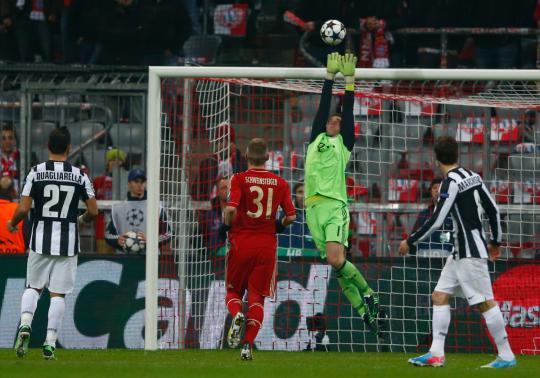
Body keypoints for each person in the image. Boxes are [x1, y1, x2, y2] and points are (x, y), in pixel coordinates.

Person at [399, 136, 516, 369]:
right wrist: (496, 241)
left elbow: (437, 219)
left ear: (435, 160)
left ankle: (506, 355)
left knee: (485, 303)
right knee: (439, 296)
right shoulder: (473, 176)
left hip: (469, 253)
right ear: (457, 155)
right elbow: (493, 209)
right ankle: (436, 354)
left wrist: (411, 241)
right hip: (460, 251)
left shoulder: (449, 182)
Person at [304, 52, 384, 336]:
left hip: (335, 206)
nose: (335, 122)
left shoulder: (343, 145)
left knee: (337, 260)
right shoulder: (316, 140)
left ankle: (369, 294)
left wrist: (349, 81)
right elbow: (322, 107)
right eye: (332, 120)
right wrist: (329, 77)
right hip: (312, 209)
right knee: (336, 266)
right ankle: (367, 312)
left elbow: (347, 112)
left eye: (338, 121)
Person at [9, 127, 98, 360]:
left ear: (48, 146)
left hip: (40, 240)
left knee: (33, 287)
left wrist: (12, 223)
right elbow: (94, 211)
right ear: (69, 148)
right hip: (67, 242)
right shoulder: (80, 175)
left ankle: (26, 324)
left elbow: (24, 207)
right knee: (57, 295)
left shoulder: (36, 172)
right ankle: (49, 341)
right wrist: (81, 220)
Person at [221, 138, 296, 360]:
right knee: (257, 298)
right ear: (266, 158)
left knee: (233, 292)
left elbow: (231, 210)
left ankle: (236, 315)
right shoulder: (280, 183)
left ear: (246, 156)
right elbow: (291, 216)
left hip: (241, 242)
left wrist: (226, 224)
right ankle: (247, 345)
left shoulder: (239, 179)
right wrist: (278, 225)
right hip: (266, 245)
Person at [105, 168, 171, 253]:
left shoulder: (156, 207)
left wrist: (153, 240)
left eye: (142, 182)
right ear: (129, 184)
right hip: (125, 258)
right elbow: (108, 235)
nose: (140, 185)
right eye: (136, 181)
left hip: (150, 260)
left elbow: (169, 233)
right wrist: (117, 240)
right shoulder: (118, 208)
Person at [93, 148, 127, 253]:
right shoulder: (98, 181)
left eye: (119, 159)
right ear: (107, 163)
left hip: (122, 231)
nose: (116, 162)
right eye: (113, 159)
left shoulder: (127, 182)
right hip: (101, 230)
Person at [410, 178, 453, 257]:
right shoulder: (423, 215)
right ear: (430, 192)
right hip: (423, 263)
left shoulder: (452, 216)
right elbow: (413, 238)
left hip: (446, 264)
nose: (437, 190)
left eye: (440, 188)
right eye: (434, 188)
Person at [278, 182, 316, 250]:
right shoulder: (286, 214)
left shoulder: (318, 215)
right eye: (300, 192)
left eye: (307, 191)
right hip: (289, 257)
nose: (303, 195)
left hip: (313, 257)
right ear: (294, 195)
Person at [201, 176, 229, 253]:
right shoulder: (210, 213)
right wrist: (207, 251)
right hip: (214, 258)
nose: (227, 191)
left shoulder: (238, 211)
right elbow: (201, 235)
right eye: (224, 188)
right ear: (218, 192)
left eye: (229, 188)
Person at [0, 175, 25, 254]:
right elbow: (28, 238)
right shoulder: (19, 209)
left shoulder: (19, 209)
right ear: (13, 191)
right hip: (16, 259)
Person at [1, 123, 20, 191]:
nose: (7, 141)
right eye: (4, 138)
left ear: (15, 141)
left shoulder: (24, 158)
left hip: (20, 199)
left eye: (10, 138)